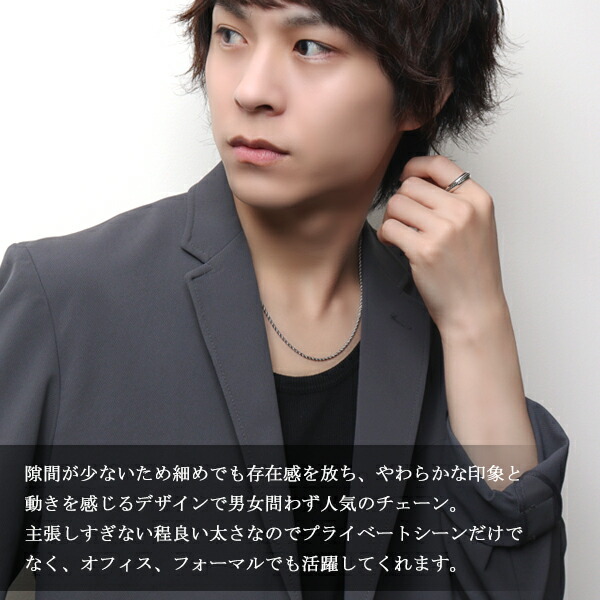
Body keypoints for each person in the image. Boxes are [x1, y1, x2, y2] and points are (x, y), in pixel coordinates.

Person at [0, 0, 568, 598]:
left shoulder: (450, 340)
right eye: (230, 35)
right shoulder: (62, 301)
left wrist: (478, 322)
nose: (250, 90)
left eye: (310, 47)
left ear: (423, 95)